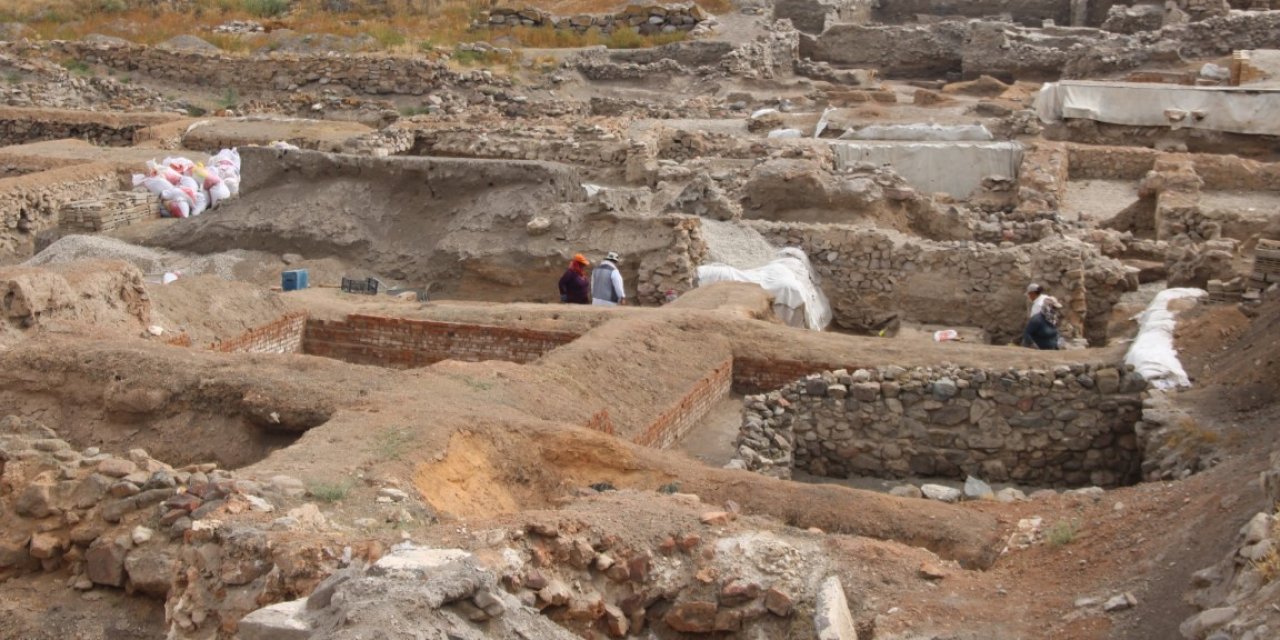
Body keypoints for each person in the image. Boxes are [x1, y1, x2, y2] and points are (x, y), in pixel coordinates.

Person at [1022, 283, 1062, 350]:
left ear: (1032, 293)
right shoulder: (1038, 318)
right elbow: (1028, 333)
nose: (1055, 310)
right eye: (1054, 308)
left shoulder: (1052, 318)